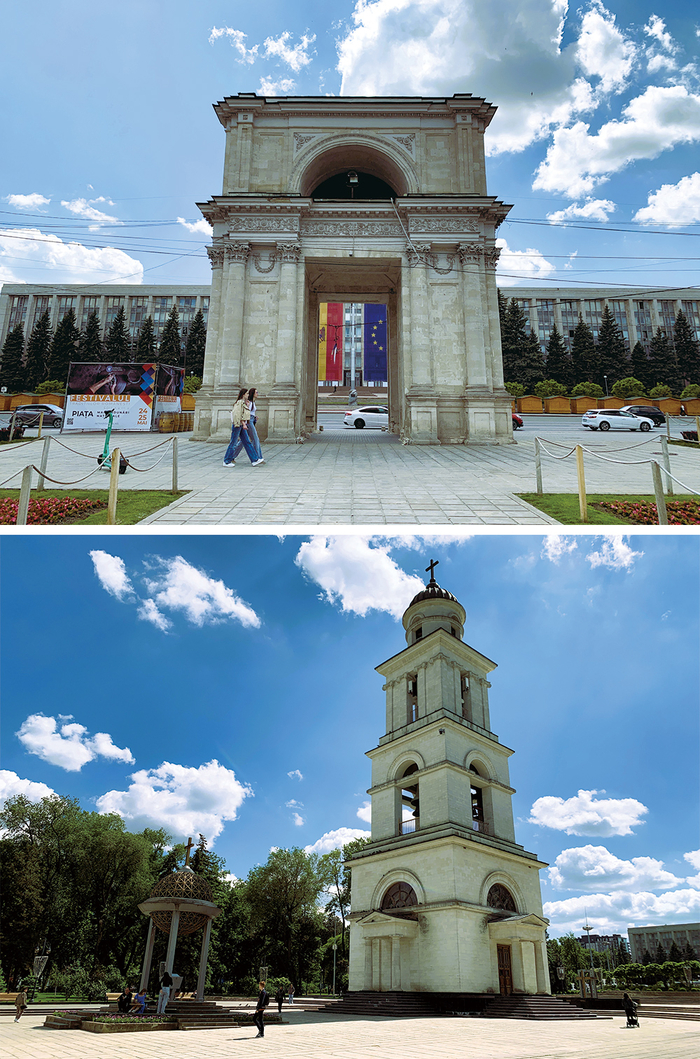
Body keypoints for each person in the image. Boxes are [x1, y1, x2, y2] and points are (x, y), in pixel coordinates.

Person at [223, 388, 264, 467]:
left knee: (247, 442)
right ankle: (227, 461)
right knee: (233, 443)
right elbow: (238, 415)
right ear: (243, 395)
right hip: (238, 425)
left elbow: (245, 413)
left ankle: (254, 460)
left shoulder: (244, 403)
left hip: (241, 425)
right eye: (247, 394)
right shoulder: (239, 403)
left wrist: (247, 406)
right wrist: (243, 424)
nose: (248, 395)